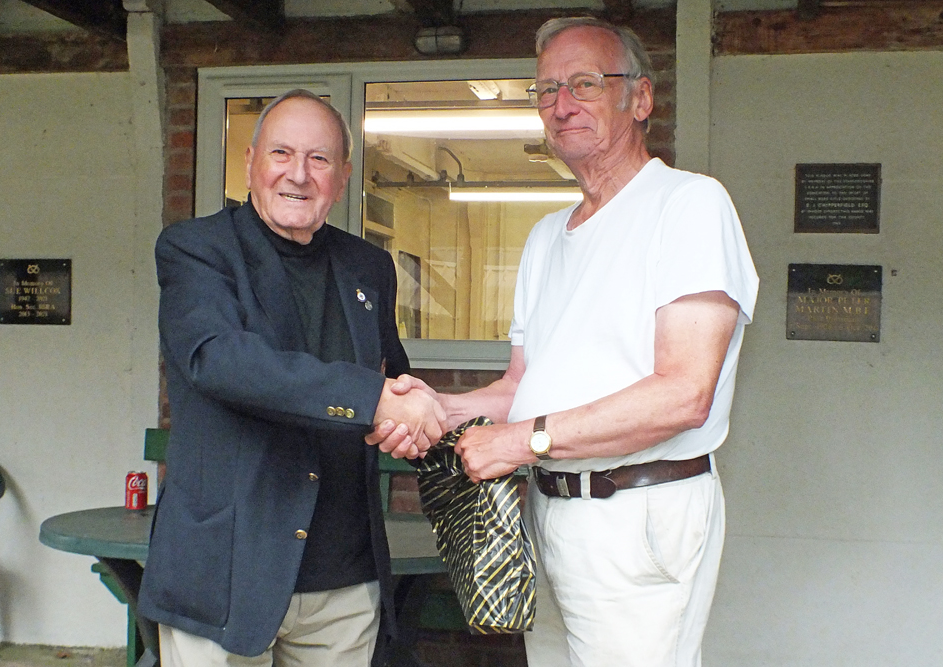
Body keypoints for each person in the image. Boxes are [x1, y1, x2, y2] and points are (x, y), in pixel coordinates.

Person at [371, 16, 759, 667]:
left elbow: (683, 395)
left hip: (637, 510)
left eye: (584, 82)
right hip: (549, 512)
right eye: (546, 89)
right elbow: (519, 388)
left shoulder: (688, 205)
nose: (561, 103)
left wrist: (517, 442)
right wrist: (430, 405)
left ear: (640, 98)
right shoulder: (548, 236)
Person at [138, 89, 444, 667]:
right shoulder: (195, 249)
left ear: (344, 175)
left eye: (319, 159)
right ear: (251, 160)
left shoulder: (369, 267)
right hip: (225, 574)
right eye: (281, 153)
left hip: (344, 579)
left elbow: (390, 378)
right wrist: (375, 398)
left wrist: (411, 419)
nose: (297, 175)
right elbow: (220, 360)